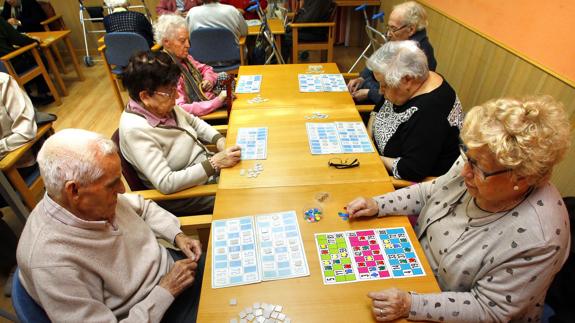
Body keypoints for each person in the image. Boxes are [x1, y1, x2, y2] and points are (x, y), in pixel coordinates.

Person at [346, 95, 572, 322]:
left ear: (522, 178)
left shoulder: (539, 238)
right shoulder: (477, 160)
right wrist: (378, 204)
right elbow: (428, 191)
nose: (465, 171)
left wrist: (410, 304)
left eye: (478, 168)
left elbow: (488, 309)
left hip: (444, 307)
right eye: (467, 158)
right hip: (413, 268)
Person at [16, 128, 205, 322]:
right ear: (74, 191)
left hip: (175, 271)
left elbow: (144, 207)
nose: (122, 189)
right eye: (112, 184)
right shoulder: (50, 262)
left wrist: (177, 235)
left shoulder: (91, 200)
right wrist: (165, 291)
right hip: (155, 310)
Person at [119, 51, 241, 215]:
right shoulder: (135, 130)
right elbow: (166, 182)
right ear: (145, 96)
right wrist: (214, 164)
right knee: (244, 196)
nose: (176, 96)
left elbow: (193, 122)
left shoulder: (159, 105)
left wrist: (218, 140)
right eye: (170, 91)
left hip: (206, 171)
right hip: (185, 194)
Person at [367, 40, 461, 181]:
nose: (380, 91)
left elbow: (411, 170)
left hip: (405, 184)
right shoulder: (412, 80)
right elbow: (379, 108)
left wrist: (371, 157)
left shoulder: (429, 112)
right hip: (376, 158)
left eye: (385, 86)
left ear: (408, 80)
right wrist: (368, 139)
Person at [347, 1, 437, 105]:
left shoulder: (419, 54)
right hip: (371, 88)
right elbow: (377, 62)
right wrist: (361, 78)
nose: (389, 34)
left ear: (411, 29)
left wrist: (369, 93)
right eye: (388, 27)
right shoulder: (400, 38)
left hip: (382, 103)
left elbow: (399, 99)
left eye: (393, 28)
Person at [154, 14, 229, 117]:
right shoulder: (168, 71)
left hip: (208, 99)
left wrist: (208, 80)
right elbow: (180, 108)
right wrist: (217, 102)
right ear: (166, 42)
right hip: (201, 115)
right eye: (182, 41)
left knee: (226, 78)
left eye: (188, 40)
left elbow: (206, 69)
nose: (188, 45)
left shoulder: (185, 58)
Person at [0, 17, 53, 105]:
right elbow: (18, 39)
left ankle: (27, 96)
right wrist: (35, 41)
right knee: (39, 58)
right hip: (9, 66)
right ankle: (43, 93)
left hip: (2, 71)